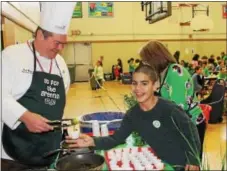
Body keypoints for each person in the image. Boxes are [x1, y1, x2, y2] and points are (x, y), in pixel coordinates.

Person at [66, 64, 201, 171]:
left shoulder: (169, 109)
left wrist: (193, 160)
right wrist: (92, 142)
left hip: (182, 165)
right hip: (160, 163)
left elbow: (191, 131)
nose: (138, 88)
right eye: (134, 83)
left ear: (155, 85)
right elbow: (116, 138)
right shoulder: (133, 115)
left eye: (144, 83)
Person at [1, 2, 76, 170]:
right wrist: (25, 116)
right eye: (57, 43)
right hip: (14, 152)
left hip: (48, 149)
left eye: (64, 44)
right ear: (40, 35)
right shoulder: (12, 56)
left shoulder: (61, 64)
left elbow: (58, 103)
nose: (60, 49)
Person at [139, 40, 206, 160]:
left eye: (145, 61)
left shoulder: (175, 72)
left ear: (154, 58)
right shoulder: (162, 74)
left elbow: (177, 109)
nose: (144, 65)